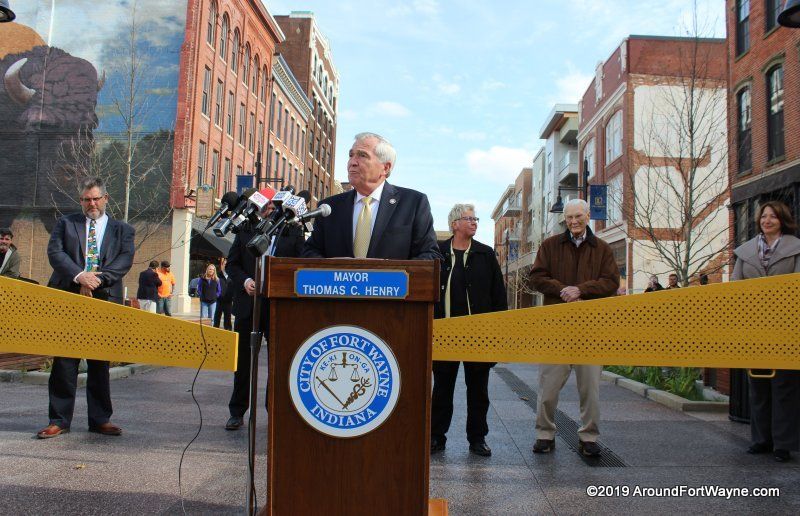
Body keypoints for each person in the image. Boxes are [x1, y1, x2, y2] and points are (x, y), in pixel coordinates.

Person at [37, 177, 135, 439]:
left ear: (105, 199)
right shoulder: (66, 224)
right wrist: (80, 276)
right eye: (86, 199)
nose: (91, 203)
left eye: (96, 198)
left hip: (104, 300)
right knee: (64, 361)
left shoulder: (122, 230)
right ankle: (58, 420)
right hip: (69, 298)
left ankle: (100, 419)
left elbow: (124, 261)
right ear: (81, 201)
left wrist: (97, 279)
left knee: (99, 362)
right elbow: (56, 253)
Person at [529, 198, 619, 457]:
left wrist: (581, 290)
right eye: (569, 217)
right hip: (556, 329)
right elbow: (536, 277)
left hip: (591, 331)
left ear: (588, 216)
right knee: (547, 389)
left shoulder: (602, 248)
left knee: (590, 390)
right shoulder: (549, 246)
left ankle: (589, 437)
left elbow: (611, 281)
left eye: (578, 216)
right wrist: (563, 290)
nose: (573, 221)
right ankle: (544, 434)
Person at [430, 204, 507, 457]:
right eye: (469, 218)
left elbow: (499, 297)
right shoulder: (437, 253)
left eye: (476, 219)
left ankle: (477, 439)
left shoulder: (485, 254)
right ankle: (436, 437)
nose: (474, 222)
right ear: (455, 224)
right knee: (442, 389)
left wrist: (496, 338)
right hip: (445, 335)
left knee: (478, 391)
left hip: (478, 336)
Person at [225, 199, 305, 430]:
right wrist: (246, 281)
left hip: (277, 306)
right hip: (248, 304)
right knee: (243, 361)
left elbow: (300, 264)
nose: (270, 210)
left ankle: (274, 412)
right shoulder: (245, 230)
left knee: (277, 361)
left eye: (275, 207)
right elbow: (232, 265)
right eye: (267, 206)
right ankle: (237, 412)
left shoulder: (292, 232)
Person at [302, 132, 440, 261]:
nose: (352, 162)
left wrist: (393, 276)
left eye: (362, 155)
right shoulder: (329, 207)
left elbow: (430, 254)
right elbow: (310, 251)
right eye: (351, 155)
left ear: (385, 168)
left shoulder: (413, 203)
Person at [732, 200, 800, 463]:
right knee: (757, 385)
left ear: (782, 220)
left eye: (772, 217)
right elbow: (735, 289)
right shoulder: (746, 252)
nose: (767, 220)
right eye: (763, 217)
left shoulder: (795, 249)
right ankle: (761, 439)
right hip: (754, 329)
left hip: (785, 329)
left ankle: (783, 443)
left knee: (785, 386)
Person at [214, 258, 233, 331]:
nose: (226, 266)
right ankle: (214, 334)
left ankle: (228, 335)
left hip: (228, 302)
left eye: (227, 265)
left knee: (227, 320)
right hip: (218, 301)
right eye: (225, 264)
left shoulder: (232, 276)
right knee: (216, 319)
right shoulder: (217, 276)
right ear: (222, 265)